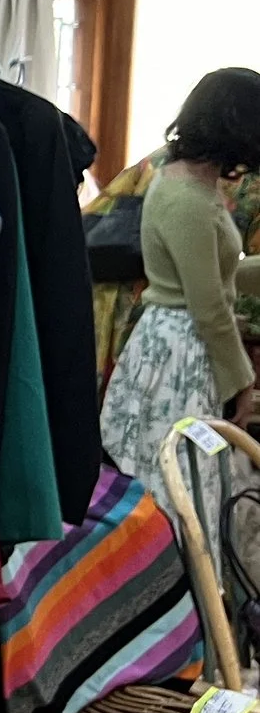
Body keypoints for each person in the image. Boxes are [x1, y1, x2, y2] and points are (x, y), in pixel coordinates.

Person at [101, 67, 260, 500]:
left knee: (181, 476)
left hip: (180, 340)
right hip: (182, 347)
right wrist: (243, 383)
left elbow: (216, 274)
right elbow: (208, 305)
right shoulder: (187, 196)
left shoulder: (187, 177)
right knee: (181, 483)